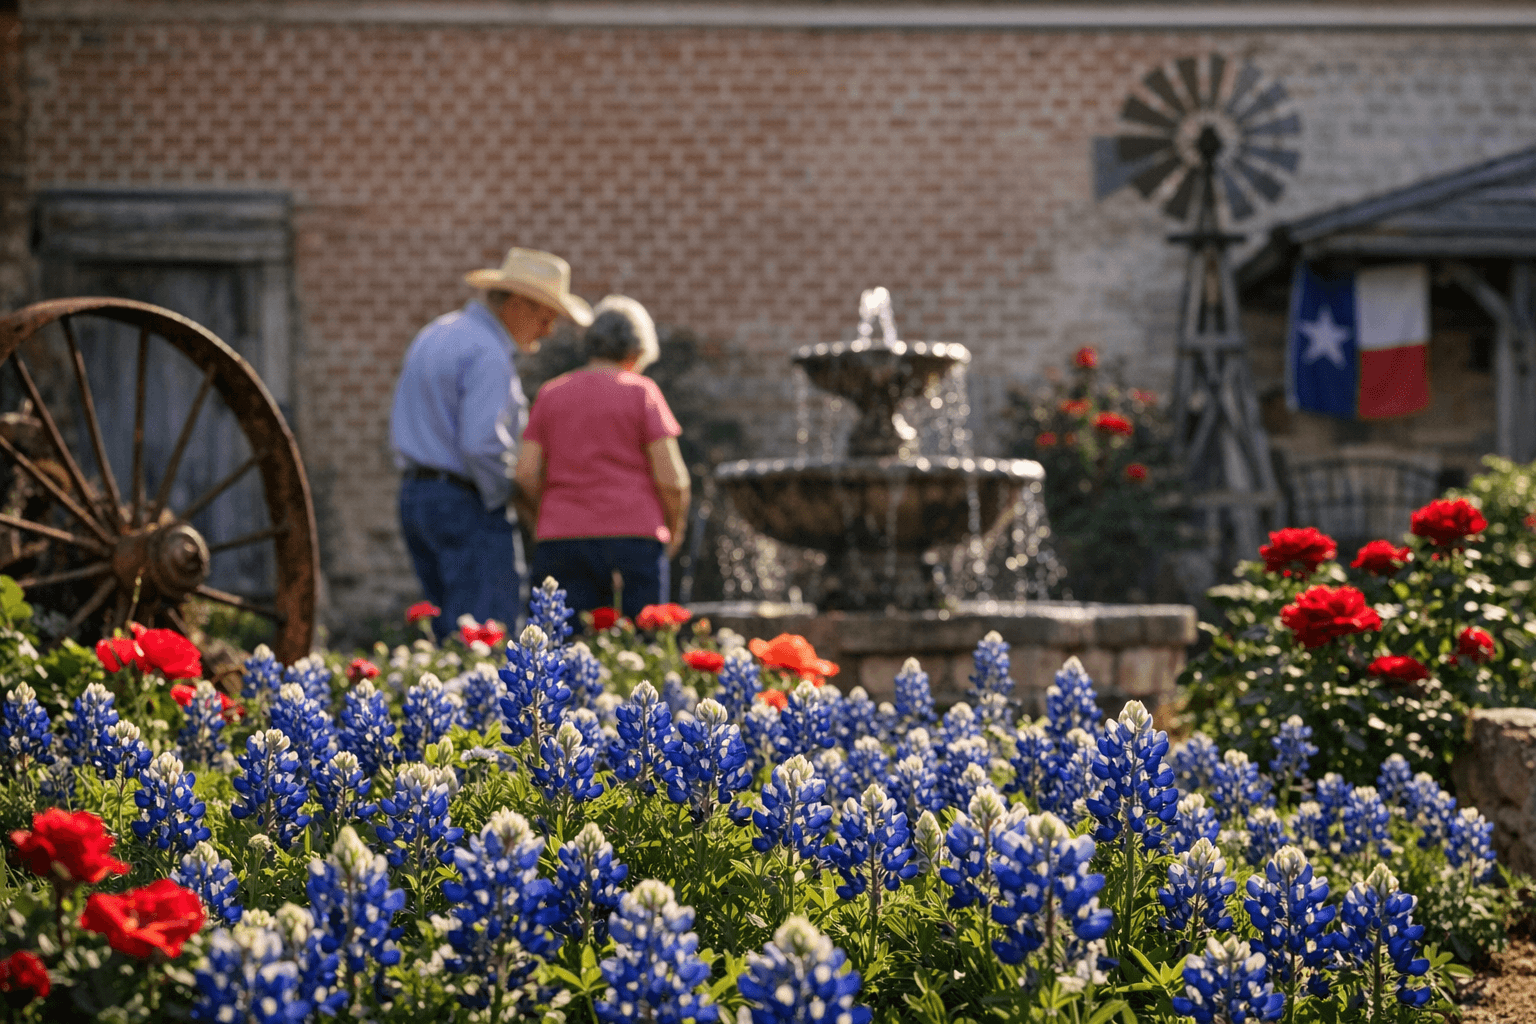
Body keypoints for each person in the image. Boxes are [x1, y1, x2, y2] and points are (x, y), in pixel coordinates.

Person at [391, 247, 592, 640]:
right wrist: (514, 497)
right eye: (545, 316)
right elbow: (482, 445)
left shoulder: (437, 331)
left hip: (417, 497)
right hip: (468, 503)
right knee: (486, 635)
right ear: (517, 304)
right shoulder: (489, 353)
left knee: (447, 630)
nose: (549, 330)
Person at [514, 295, 690, 620]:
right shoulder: (642, 392)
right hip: (635, 537)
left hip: (561, 538)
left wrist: (548, 515)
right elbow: (672, 479)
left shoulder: (551, 393)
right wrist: (674, 529)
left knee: (560, 654)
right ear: (637, 351)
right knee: (640, 651)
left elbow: (525, 473)